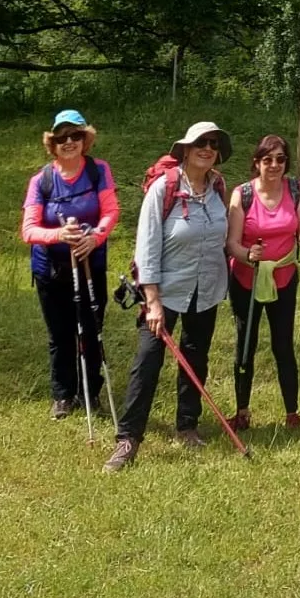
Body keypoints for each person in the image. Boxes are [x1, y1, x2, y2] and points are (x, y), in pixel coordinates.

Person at [105, 122, 232, 471]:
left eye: (213, 143)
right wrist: (153, 300)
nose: (207, 148)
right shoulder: (164, 188)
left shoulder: (218, 187)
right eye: (200, 143)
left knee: (195, 358)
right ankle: (128, 439)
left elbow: (226, 238)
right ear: (186, 150)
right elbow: (146, 247)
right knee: (147, 362)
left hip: (205, 290)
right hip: (163, 292)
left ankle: (187, 425)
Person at [21, 109, 120, 421]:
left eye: (75, 135)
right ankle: (63, 395)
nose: (69, 141)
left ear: (85, 139)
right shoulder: (42, 181)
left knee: (91, 330)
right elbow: (28, 230)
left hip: (91, 264)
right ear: (53, 142)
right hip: (51, 270)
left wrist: (96, 236)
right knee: (61, 335)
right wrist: (58, 235)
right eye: (62, 137)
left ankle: (90, 392)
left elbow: (110, 211)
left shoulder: (98, 171)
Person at [226, 135, 300, 430]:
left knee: (283, 345)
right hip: (246, 278)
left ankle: (292, 413)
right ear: (257, 162)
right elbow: (232, 244)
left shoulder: (295, 189)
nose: (274, 165)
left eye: (280, 159)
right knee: (246, 344)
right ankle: (242, 411)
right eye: (268, 160)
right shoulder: (243, 194)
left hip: (284, 277)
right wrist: (248, 254)